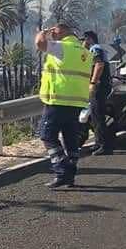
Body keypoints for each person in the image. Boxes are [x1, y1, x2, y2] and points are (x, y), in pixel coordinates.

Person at [35, 23, 93, 189]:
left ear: (61, 32)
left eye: (54, 31)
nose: (52, 33)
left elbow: (39, 43)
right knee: (70, 139)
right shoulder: (84, 51)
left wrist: (43, 32)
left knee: (47, 135)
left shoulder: (62, 47)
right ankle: (70, 175)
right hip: (76, 102)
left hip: (58, 100)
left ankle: (62, 169)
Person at [82, 30, 113, 155]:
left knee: (98, 116)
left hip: (99, 87)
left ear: (89, 39)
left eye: (84, 40)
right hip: (101, 86)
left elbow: (99, 65)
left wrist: (93, 82)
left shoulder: (95, 49)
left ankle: (104, 146)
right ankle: (98, 142)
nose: (83, 43)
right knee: (95, 116)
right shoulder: (95, 49)